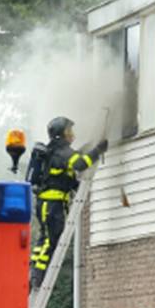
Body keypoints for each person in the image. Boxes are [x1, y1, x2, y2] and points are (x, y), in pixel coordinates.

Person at [29, 116, 107, 289]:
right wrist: (98, 150)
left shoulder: (53, 151)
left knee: (44, 238)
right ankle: (38, 275)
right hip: (53, 205)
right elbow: (80, 164)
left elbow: (62, 177)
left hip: (45, 204)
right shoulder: (62, 151)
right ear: (60, 134)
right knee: (52, 240)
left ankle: (34, 272)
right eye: (68, 130)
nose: (72, 134)